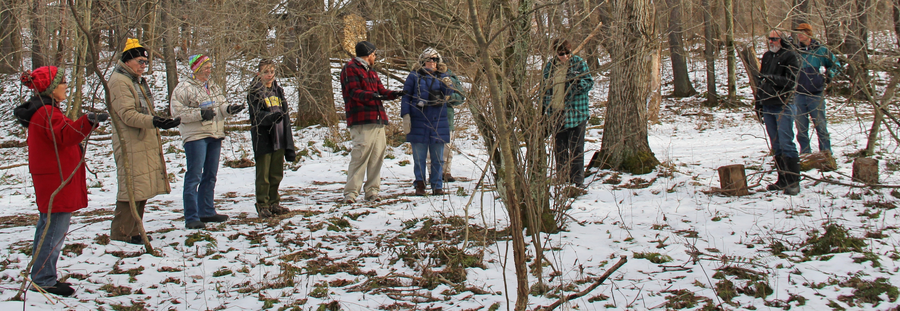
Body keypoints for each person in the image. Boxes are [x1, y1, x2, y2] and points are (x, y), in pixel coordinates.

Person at [14, 66, 107, 296]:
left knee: (48, 226)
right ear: (51, 88)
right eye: (62, 82)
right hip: (56, 181)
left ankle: (40, 275)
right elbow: (66, 135)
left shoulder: (46, 111)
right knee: (54, 228)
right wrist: (88, 120)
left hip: (53, 179)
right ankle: (44, 279)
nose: (66, 86)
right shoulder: (47, 113)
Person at [108, 39, 181, 244]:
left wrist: (156, 120)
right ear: (128, 61)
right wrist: (154, 121)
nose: (143, 65)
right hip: (130, 142)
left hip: (141, 141)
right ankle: (122, 232)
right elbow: (128, 115)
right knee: (130, 188)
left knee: (140, 188)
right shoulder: (120, 82)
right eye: (140, 61)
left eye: (146, 62)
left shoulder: (134, 80)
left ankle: (133, 229)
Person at [171, 54, 244, 229]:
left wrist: (230, 110)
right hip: (196, 136)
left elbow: (221, 106)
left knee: (210, 175)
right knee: (194, 175)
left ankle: (206, 210)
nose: (209, 70)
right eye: (205, 67)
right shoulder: (183, 88)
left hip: (215, 134)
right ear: (196, 69)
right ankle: (191, 216)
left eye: (210, 67)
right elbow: (177, 113)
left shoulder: (214, 87)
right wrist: (200, 114)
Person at [339, 41, 404, 203]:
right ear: (369, 55)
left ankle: (372, 192)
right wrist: (372, 96)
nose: (375, 57)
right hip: (361, 119)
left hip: (378, 119)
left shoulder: (372, 72)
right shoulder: (350, 68)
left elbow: (381, 91)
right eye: (374, 54)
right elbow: (354, 92)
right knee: (360, 156)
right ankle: (351, 193)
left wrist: (395, 93)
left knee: (377, 156)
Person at [541, 39, 594, 190]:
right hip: (557, 112)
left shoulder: (579, 63)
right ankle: (562, 178)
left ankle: (577, 180)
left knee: (576, 148)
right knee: (560, 148)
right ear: (555, 52)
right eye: (561, 53)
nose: (564, 56)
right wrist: (543, 109)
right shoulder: (550, 66)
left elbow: (589, 82)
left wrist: (577, 85)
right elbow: (544, 87)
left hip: (577, 113)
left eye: (567, 53)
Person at [401, 48, 454, 196]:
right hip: (418, 120)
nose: (432, 62)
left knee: (438, 158)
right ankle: (420, 184)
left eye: (435, 59)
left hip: (438, 121)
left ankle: (437, 186)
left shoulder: (443, 76)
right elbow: (406, 96)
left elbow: (449, 95)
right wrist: (406, 115)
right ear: (422, 60)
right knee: (419, 158)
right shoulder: (414, 76)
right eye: (429, 59)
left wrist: (447, 85)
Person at [247, 59, 296, 218]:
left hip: (279, 136)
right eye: (266, 72)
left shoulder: (278, 91)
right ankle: (263, 204)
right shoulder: (255, 92)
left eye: (272, 72)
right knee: (264, 174)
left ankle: (274, 202)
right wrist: (270, 117)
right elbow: (256, 116)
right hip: (264, 137)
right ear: (259, 73)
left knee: (276, 173)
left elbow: (285, 113)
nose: (269, 75)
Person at [756, 30, 801, 195]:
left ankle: (793, 180)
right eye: (769, 39)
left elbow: (791, 81)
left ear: (781, 40)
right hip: (768, 104)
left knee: (786, 143)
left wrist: (771, 79)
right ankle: (782, 179)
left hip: (784, 104)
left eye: (774, 39)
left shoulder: (790, 56)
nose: (771, 42)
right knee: (776, 145)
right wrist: (758, 104)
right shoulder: (767, 56)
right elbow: (761, 81)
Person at [793, 23, 839, 166]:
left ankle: (826, 155)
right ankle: (805, 156)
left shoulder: (820, 50)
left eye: (802, 32)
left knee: (820, 125)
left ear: (809, 33)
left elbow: (835, 64)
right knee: (801, 128)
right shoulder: (795, 51)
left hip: (816, 94)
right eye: (798, 32)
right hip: (798, 94)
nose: (799, 35)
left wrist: (828, 76)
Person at [435, 61, 466, 183]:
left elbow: (460, 96)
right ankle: (433, 173)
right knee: (429, 149)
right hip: (427, 116)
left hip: (446, 117)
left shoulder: (450, 77)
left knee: (447, 147)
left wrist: (448, 98)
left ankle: (446, 172)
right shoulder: (422, 75)